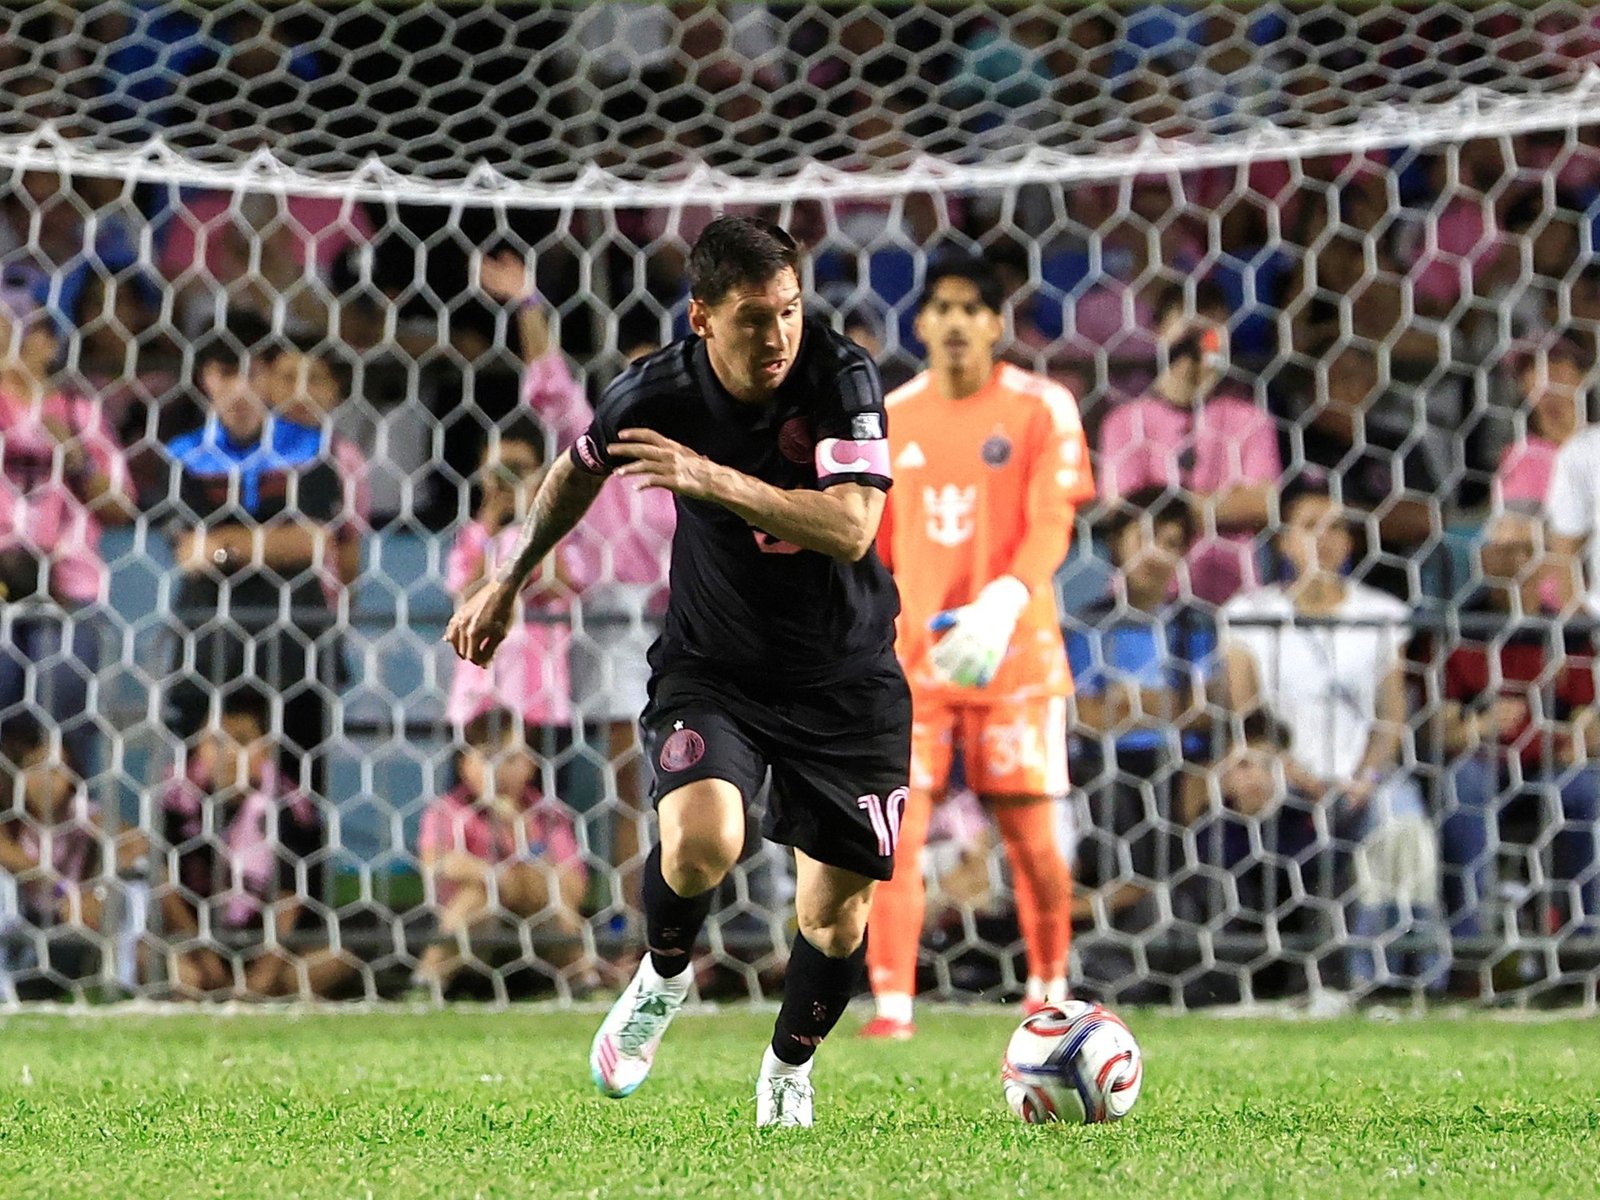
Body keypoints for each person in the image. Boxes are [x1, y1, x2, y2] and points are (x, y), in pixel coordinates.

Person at [446, 216, 907, 1129]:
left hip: (843, 676)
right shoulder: (657, 390)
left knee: (836, 919)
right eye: (751, 318)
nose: (775, 336)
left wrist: (712, 479)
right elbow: (578, 468)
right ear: (701, 316)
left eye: (787, 310)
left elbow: (853, 526)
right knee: (703, 838)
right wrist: (508, 577)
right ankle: (660, 978)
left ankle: (785, 1069)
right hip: (715, 665)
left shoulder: (841, 375)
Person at [861, 257, 1094, 1039]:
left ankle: (1048, 987)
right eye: (942, 307)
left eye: (972, 308)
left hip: (1014, 652)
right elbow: (877, 545)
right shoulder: (891, 416)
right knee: (898, 830)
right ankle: (893, 1005)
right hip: (916, 662)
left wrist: (1002, 600)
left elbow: (1052, 521)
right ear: (920, 322)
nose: (956, 322)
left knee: (1032, 838)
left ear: (998, 323)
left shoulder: (1042, 407)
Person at [1219, 476, 1445, 991]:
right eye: (1309, 527)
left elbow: (1392, 716)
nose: (1325, 539)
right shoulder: (1249, 614)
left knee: (1403, 823)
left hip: (1360, 774)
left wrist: (1366, 774)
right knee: (1251, 793)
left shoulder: (1381, 614)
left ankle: (1398, 978)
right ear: (1284, 541)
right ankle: (1285, 972)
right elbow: (1247, 714)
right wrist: (1294, 770)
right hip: (1284, 769)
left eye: (1337, 527)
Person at [160, 312, 341, 794]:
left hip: (294, 639)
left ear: (268, 376)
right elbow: (188, 550)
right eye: (225, 373)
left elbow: (310, 542)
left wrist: (225, 548)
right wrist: (263, 546)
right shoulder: (184, 452)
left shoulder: (309, 445)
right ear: (205, 379)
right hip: (208, 638)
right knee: (195, 788)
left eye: (250, 371)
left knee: (298, 788)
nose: (238, 387)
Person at [1438, 511, 1599, 943]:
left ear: (1545, 560)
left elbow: (1590, 715)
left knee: (1590, 788)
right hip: (1486, 767)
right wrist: (1480, 725)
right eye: (1502, 550)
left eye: (1525, 550)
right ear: (1483, 559)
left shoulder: (1569, 634)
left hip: (1551, 771)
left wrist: (1579, 738)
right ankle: (1472, 947)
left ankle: (1586, 946)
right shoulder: (1459, 630)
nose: (1513, 561)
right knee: (1464, 784)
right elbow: (1438, 730)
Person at [0, 285, 136, 783]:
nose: (7, 336)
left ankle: (68, 838)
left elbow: (121, 505)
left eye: (20, 325)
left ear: (49, 343)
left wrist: (76, 457)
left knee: (63, 713)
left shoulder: (81, 414)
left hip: (68, 592)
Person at [155, 687, 353, 999]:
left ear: (268, 749)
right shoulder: (176, 802)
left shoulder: (291, 806)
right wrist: (204, 956)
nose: (228, 753)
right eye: (216, 741)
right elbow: (164, 883)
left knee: (336, 961)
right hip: (197, 941)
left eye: (243, 741)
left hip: (271, 948)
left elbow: (291, 898)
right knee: (178, 973)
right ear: (197, 747)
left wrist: (262, 975)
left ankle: (261, 994)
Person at [1095, 286, 1280, 606]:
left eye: (1212, 330)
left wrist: (1169, 509)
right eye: (1188, 326)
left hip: (1231, 594)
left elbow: (1264, 503)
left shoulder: (1251, 419)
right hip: (1145, 596)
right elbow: (1122, 509)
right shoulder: (1124, 421)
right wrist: (1221, 506)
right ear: (1159, 333)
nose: (1200, 339)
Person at [411, 706, 589, 998]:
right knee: (476, 897)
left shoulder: (548, 814)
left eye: (511, 759)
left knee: (552, 897)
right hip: (477, 932)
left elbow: (576, 888)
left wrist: (525, 835)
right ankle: (426, 982)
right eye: (487, 758)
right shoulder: (448, 811)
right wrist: (491, 876)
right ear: (464, 764)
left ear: (531, 764)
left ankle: (584, 981)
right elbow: (435, 864)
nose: (499, 770)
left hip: (538, 931)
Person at [0, 713, 149, 998]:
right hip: (24, 917)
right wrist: (63, 892)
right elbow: (13, 858)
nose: (47, 780)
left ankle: (121, 984)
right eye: (36, 768)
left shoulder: (79, 812)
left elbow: (137, 844)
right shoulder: (10, 821)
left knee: (135, 881)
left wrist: (98, 890)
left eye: (57, 769)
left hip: (77, 920)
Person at [445, 415, 573, 736]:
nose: (506, 480)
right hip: (479, 694)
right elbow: (464, 596)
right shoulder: (473, 536)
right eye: (497, 471)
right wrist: (490, 526)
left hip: (540, 691)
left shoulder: (559, 533)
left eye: (518, 470)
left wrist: (538, 516)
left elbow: (561, 587)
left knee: (546, 783)